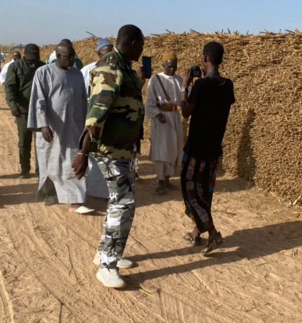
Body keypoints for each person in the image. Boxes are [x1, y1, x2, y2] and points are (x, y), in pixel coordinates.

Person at [73, 24, 146, 289]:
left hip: (122, 148)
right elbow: (97, 109)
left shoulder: (123, 65)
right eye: (143, 44)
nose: (143, 49)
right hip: (111, 149)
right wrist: (83, 150)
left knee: (118, 202)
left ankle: (104, 252)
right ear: (134, 43)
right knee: (124, 203)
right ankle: (107, 265)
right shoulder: (110, 66)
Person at [180, 41, 235, 255]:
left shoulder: (200, 86)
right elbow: (214, 105)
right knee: (206, 192)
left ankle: (212, 233)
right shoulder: (227, 85)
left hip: (196, 150)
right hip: (214, 150)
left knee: (190, 191)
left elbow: (185, 111)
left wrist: (186, 85)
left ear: (205, 59)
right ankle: (197, 232)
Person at [28, 41, 93, 214]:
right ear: (57, 56)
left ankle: (75, 201)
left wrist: (86, 125)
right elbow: (38, 101)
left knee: (71, 160)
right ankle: (49, 191)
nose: (71, 60)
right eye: (68, 57)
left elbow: (82, 100)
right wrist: (42, 125)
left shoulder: (78, 75)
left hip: (73, 126)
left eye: (73, 57)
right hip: (51, 128)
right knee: (49, 159)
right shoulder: (43, 73)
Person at [145, 52, 184, 194]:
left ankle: (168, 180)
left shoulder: (179, 79)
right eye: (169, 67)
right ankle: (160, 182)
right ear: (163, 65)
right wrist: (158, 114)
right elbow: (150, 103)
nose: (172, 70)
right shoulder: (155, 79)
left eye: (174, 67)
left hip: (174, 117)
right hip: (161, 119)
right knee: (161, 151)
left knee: (174, 149)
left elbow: (183, 99)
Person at [5, 44, 45, 178]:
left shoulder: (43, 67)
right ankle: (25, 168)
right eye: (30, 58)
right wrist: (13, 105)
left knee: (41, 142)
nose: (33, 61)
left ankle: (41, 171)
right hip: (23, 110)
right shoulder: (15, 67)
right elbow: (10, 88)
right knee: (24, 141)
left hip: (40, 110)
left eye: (35, 58)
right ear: (25, 55)